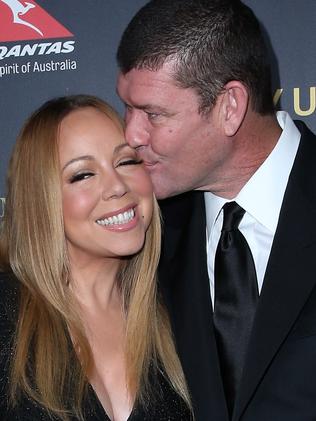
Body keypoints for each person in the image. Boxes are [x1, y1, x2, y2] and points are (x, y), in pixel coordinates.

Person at [116, 1, 316, 420]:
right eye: (128, 108)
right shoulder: (139, 237)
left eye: (153, 114)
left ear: (230, 106)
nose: (130, 134)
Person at [0, 94, 193, 420]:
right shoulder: (7, 315)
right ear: (40, 200)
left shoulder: (181, 313)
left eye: (127, 162)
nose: (117, 186)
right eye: (83, 175)